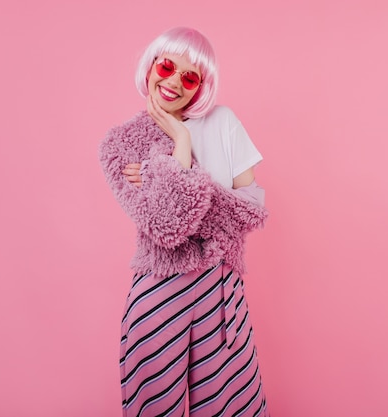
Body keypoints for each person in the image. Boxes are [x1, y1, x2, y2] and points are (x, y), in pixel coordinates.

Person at [99, 27, 270, 417]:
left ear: (200, 87)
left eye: (189, 76)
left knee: (235, 405)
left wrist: (176, 157)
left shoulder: (223, 122)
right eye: (167, 66)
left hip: (220, 293)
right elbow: (167, 227)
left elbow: (252, 210)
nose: (175, 80)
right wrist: (180, 149)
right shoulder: (122, 144)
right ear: (151, 66)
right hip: (159, 293)